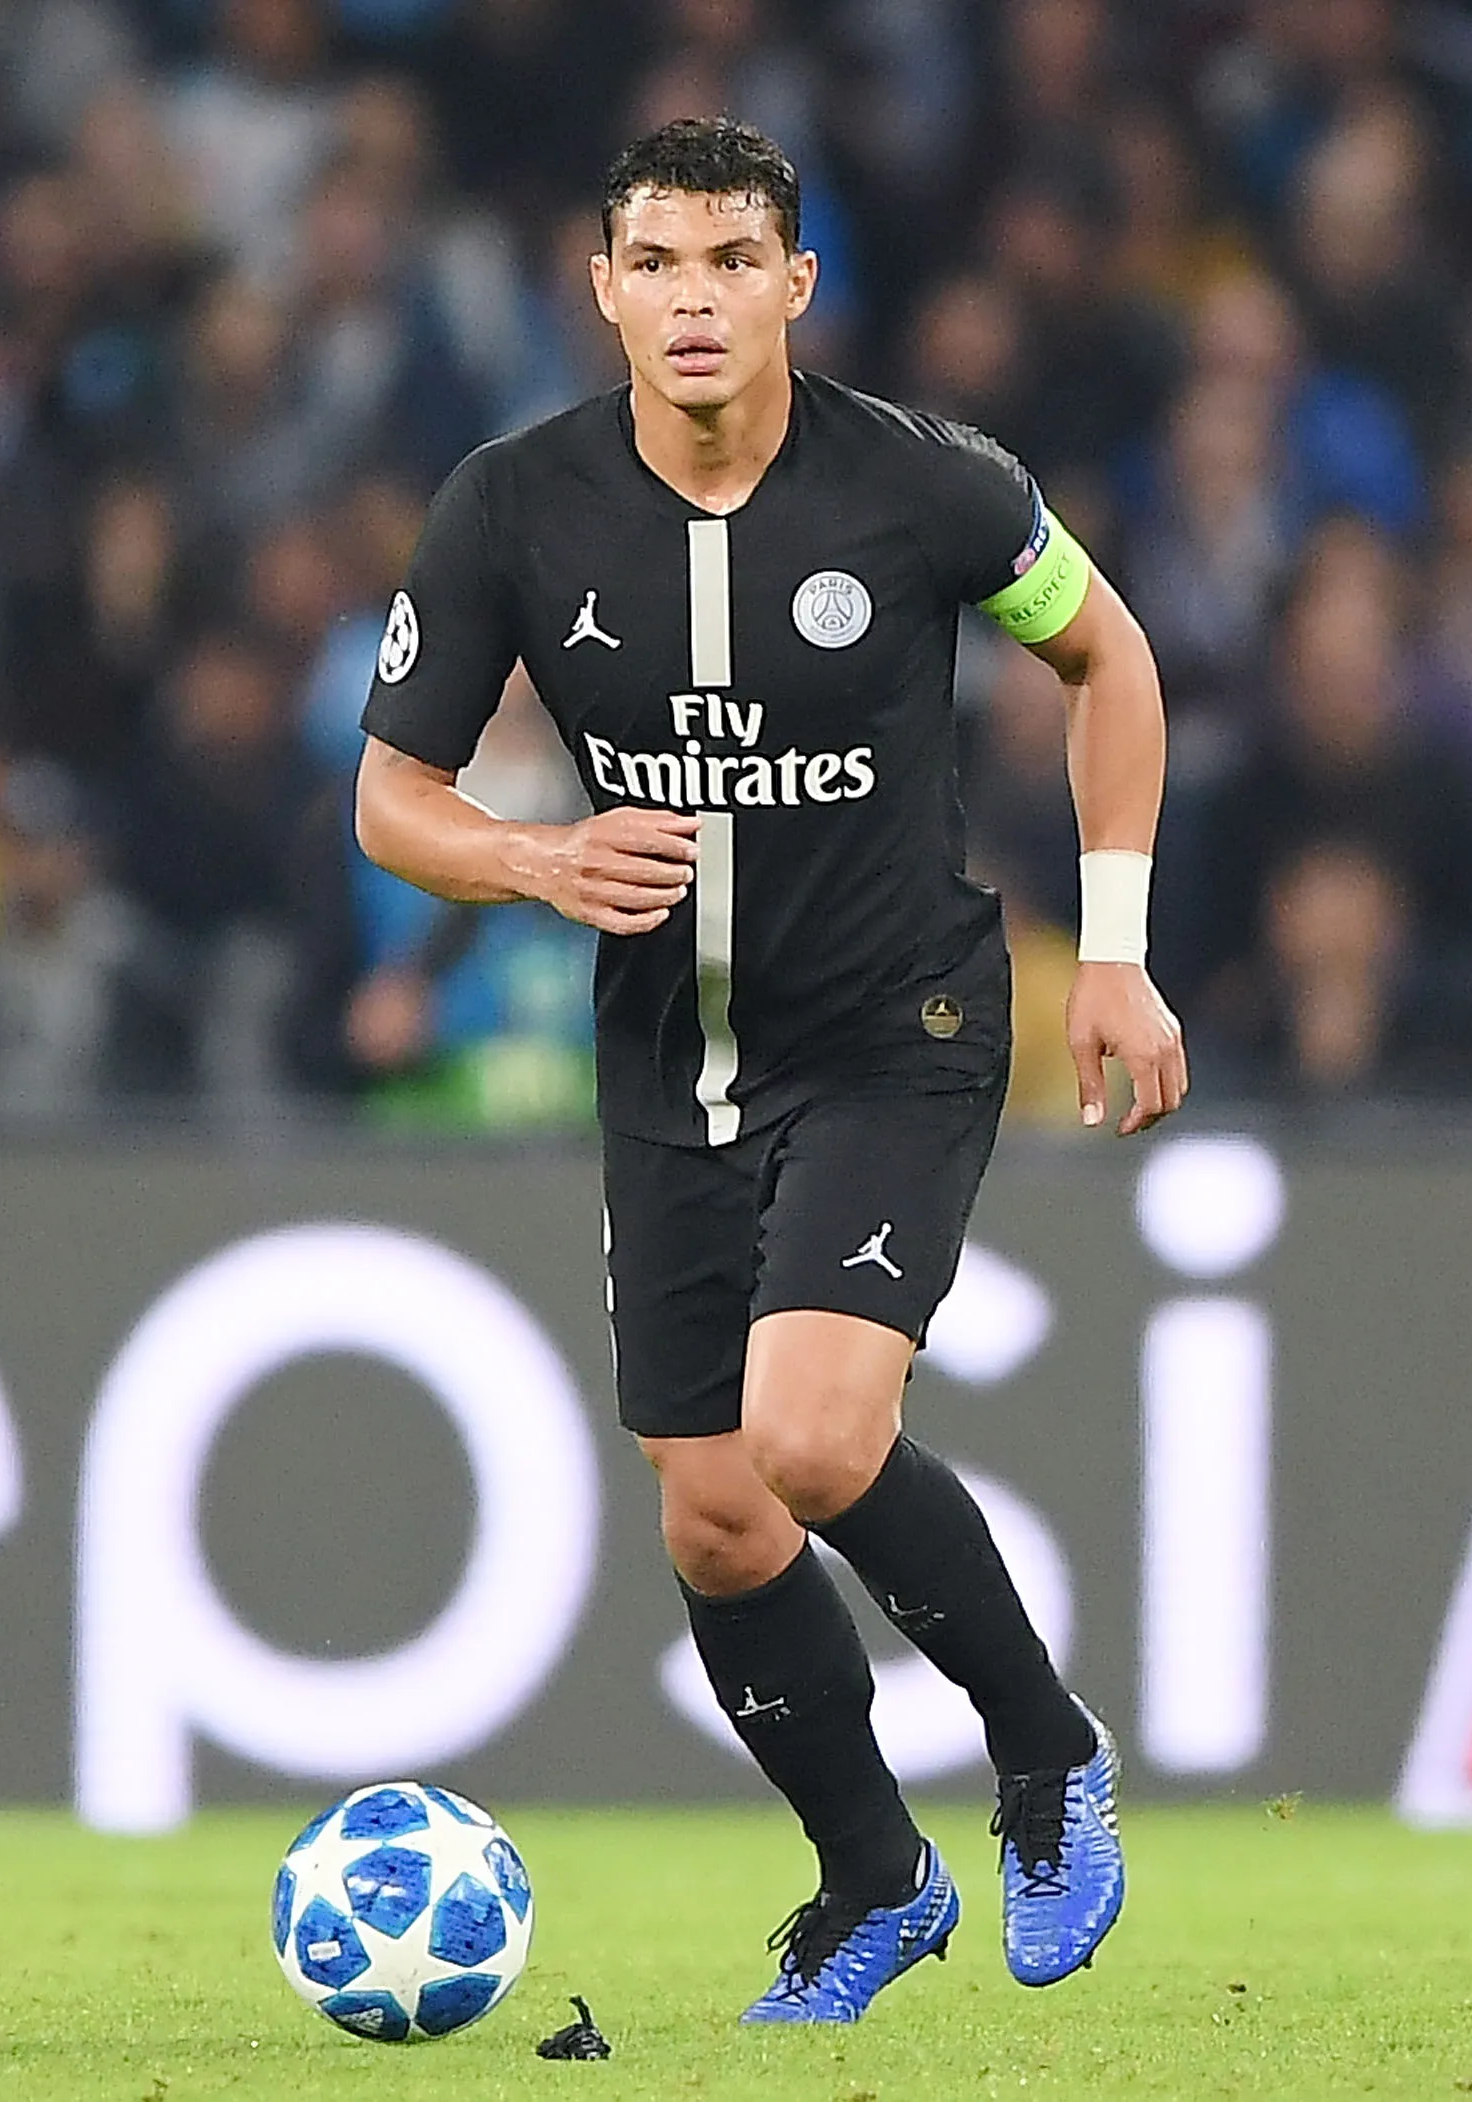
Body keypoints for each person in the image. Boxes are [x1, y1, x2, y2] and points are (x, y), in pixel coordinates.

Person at [353, 119, 1183, 2023]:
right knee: (715, 1511)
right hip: (669, 1059)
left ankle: (1045, 1750)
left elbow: (1112, 663)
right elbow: (392, 795)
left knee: (812, 1438)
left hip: (896, 1030)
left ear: (798, 286)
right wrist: (536, 859)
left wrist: (1118, 955)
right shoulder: (511, 508)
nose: (696, 298)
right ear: (606, 290)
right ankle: (874, 1875)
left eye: (736, 260)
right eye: (658, 262)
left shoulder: (925, 485)